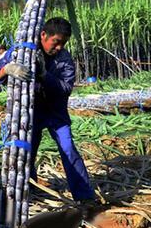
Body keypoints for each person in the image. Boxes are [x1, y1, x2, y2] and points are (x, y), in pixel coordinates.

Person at [16, 18, 96, 206]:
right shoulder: (27, 51)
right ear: (43, 35)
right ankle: (30, 190)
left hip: (55, 113)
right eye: (56, 42)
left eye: (63, 43)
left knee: (68, 149)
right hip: (31, 112)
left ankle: (84, 195)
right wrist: (8, 70)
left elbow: (65, 88)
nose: (60, 47)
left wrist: (44, 75)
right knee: (28, 152)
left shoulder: (64, 59)